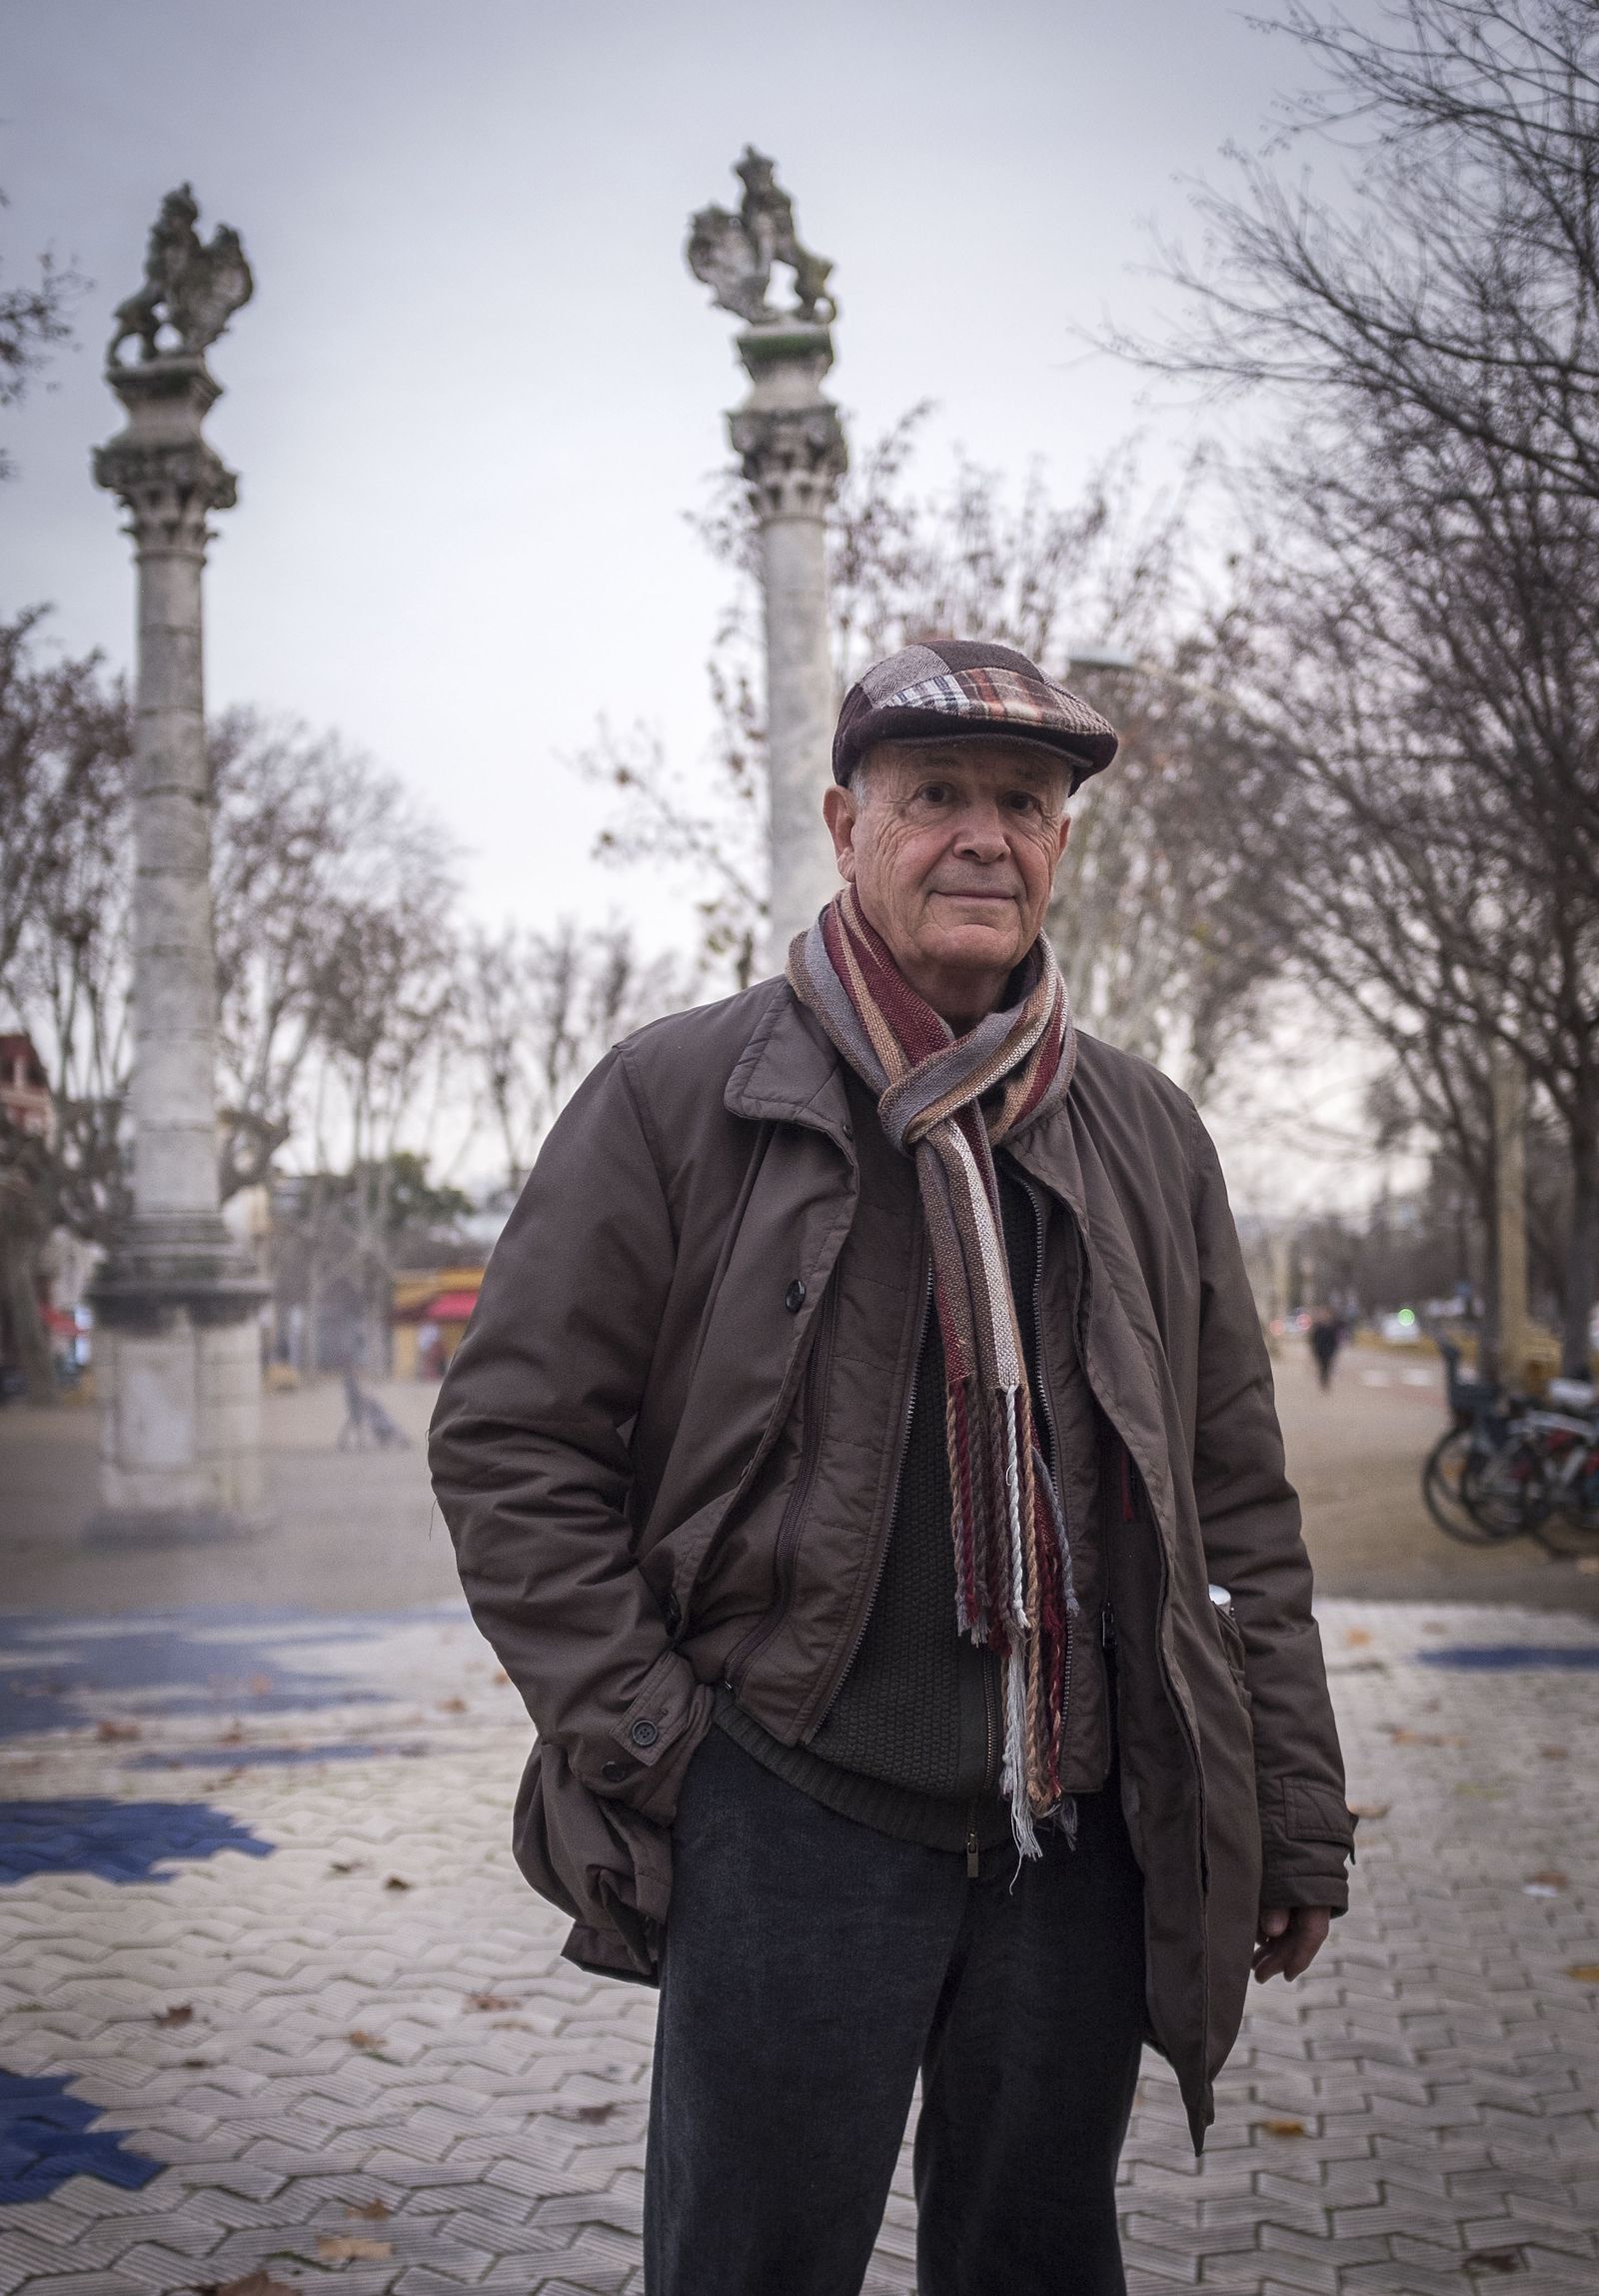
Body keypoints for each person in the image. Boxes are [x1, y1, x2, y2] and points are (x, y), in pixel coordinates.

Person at [429, 639, 1353, 2296]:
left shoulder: (1147, 1133)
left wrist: (1288, 1809)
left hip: (1073, 1836)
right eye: (938, 795)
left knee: (1037, 2262)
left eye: (1026, 803)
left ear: (1061, 843)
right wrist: (661, 1740)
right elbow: (512, 1442)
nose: (985, 835)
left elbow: (1233, 1507)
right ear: (848, 824)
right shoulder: (678, 1094)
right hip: (787, 1814)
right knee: (752, 2263)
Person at [1308, 1308, 1344, 1391]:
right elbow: (1313, 1338)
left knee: (1327, 1366)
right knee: (1321, 1366)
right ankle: (1322, 1380)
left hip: (1329, 1350)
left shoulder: (1334, 1325)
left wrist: (1335, 1348)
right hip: (1319, 1350)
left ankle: (1326, 1381)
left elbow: (1336, 1338)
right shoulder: (1318, 1326)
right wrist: (1313, 1348)